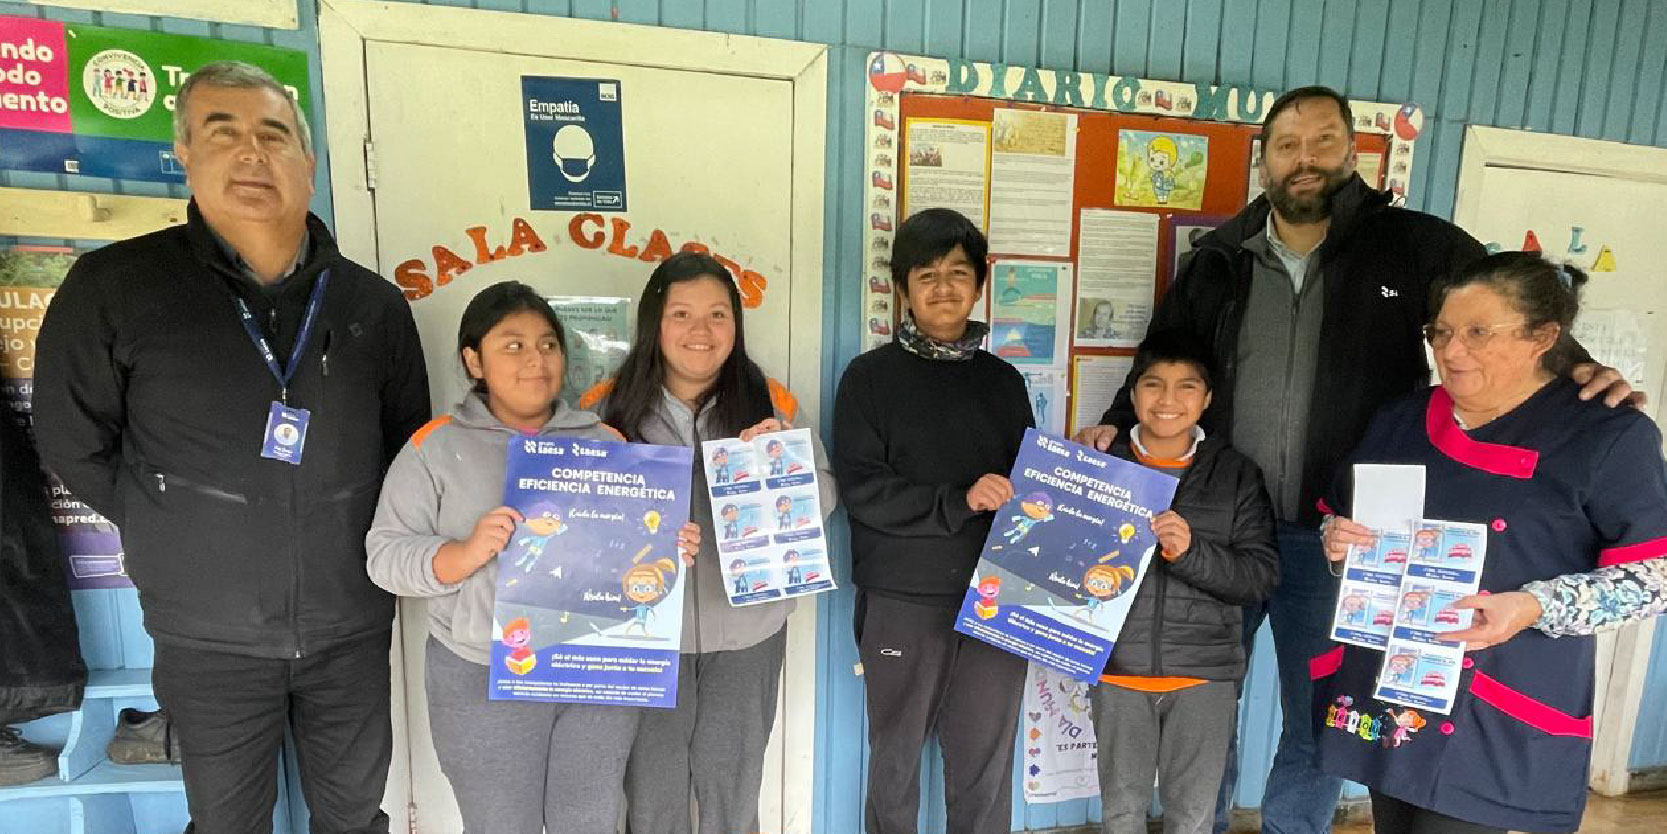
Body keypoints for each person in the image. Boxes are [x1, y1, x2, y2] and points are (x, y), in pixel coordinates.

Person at [1072, 86, 1637, 834]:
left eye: (1323, 141)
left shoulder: (1416, 244)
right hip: (1218, 528)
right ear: (1264, 161)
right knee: (1206, 701)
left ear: (1352, 151)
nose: (1304, 159)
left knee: (1320, 715)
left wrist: (1575, 367)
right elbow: (1162, 357)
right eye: (1287, 145)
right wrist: (1116, 428)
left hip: (1339, 536)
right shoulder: (1218, 260)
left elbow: (1506, 308)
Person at [32, 61, 430, 833]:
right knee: (226, 823)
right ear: (184, 154)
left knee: (355, 818)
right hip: (205, 633)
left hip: (349, 623)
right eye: (224, 133)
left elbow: (404, 454)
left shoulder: (371, 305)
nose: (252, 153)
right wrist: (181, 525)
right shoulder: (116, 287)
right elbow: (73, 442)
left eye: (273, 135)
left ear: (307, 163)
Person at [1316, 253, 1667, 834]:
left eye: (1478, 333)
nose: (1451, 351)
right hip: (1397, 688)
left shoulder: (1605, 434)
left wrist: (1533, 606)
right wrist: (1338, 542)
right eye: (1441, 333)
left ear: (1542, 337)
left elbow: (1653, 579)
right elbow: (1340, 518)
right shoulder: (1401, 421)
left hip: (1502, 702)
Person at [366, 281, 699, 833]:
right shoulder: (436, 446)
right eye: (513, 345)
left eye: (548, 344)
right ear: (474, 360)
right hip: (482, 672)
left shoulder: (606, 442)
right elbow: (383, 557)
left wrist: (668, 547)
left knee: (590, 822)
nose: (536, 360)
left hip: (593, 671)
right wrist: (464, 553)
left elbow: (632, 556)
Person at [586, 251, 836, 834]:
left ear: (735, 325)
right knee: (651, 792)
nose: (700, 330)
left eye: (718, 315)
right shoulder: (605, 404)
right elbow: (578, 522)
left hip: (748, 630)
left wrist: (781, 465)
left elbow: (825, 496)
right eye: (682, 314)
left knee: (733, 786)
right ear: (655, 322)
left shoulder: (772, 400)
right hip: (644, 634)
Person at [833, 207, 1034, 834]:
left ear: (979, 284)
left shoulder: (1004, 382)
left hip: (996, 599)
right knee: (894, 761)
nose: (944, 288)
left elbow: (1028, 491)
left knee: (984, 767)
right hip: (903, 600)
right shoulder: (869, 378)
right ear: (903, 289)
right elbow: (864, 491)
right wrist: (959, 501)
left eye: (958, 273)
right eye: (927, 275)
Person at [1092, 329, 1278, 834]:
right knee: (1120, 816)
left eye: (1187, 387)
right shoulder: (1099, 465)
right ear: (1133, 395)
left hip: (1204, 677)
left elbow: (1259, 577)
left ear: (1208, 398)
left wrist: (1192, 553)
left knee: (1192, 820)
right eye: (1153, 384)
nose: (1168, 400)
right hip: (1118, 672)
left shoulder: (1236, 475)